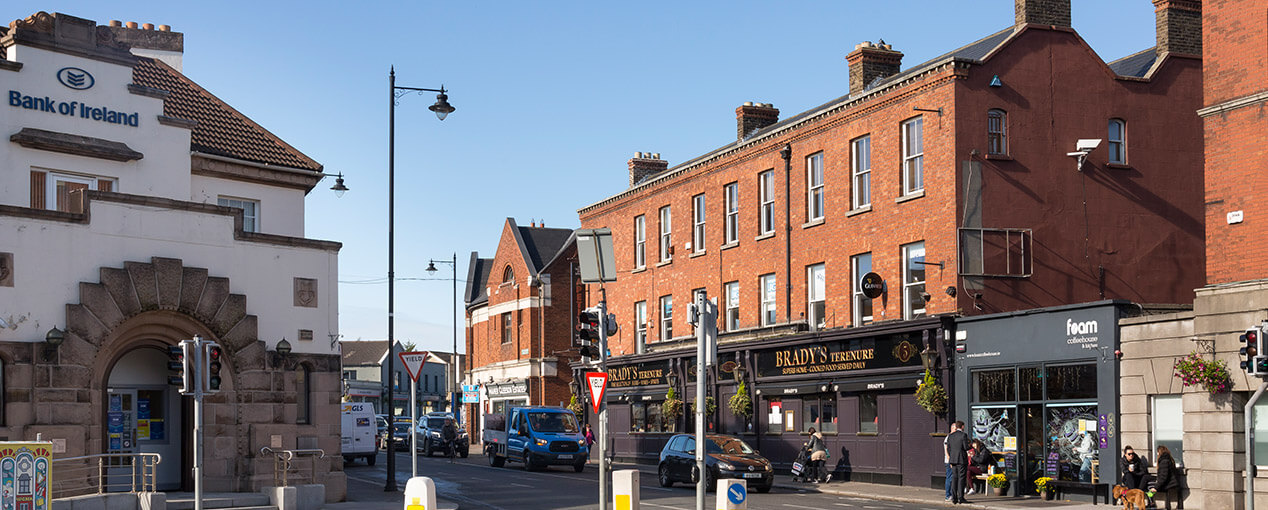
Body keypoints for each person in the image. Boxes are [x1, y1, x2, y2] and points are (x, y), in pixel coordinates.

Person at [946, 420, 970, 504]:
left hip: (953, 459)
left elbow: (948, 448)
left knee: (954, 478)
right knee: (961, 478)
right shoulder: (963, 435)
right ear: (962, 426)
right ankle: (961, 497)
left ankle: (954, 498)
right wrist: (970, 445)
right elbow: (966, 447)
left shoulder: (950, 436)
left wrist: (952, 456)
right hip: (961, 460)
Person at [1154, 445, 1182, 510]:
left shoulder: (1164, 461)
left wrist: (1156, 487)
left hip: (1170, 484)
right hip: (1174, 482)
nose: (1157, 454)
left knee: (1150, 487)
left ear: (1159, 452)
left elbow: (1163, 476)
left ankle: (1152, 503)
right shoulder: (1169, 459)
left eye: (1157, 452)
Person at [944, 422, 958, 502]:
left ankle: (953, 494)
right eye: (955, 429)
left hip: (953, 460)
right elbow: (946, 450)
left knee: (952, 478)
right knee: (949, 478)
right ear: (952, 429)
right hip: (949, 461)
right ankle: (947, 495)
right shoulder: (948, 438)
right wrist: (950, 461)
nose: (956, 431)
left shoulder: (953, 437)